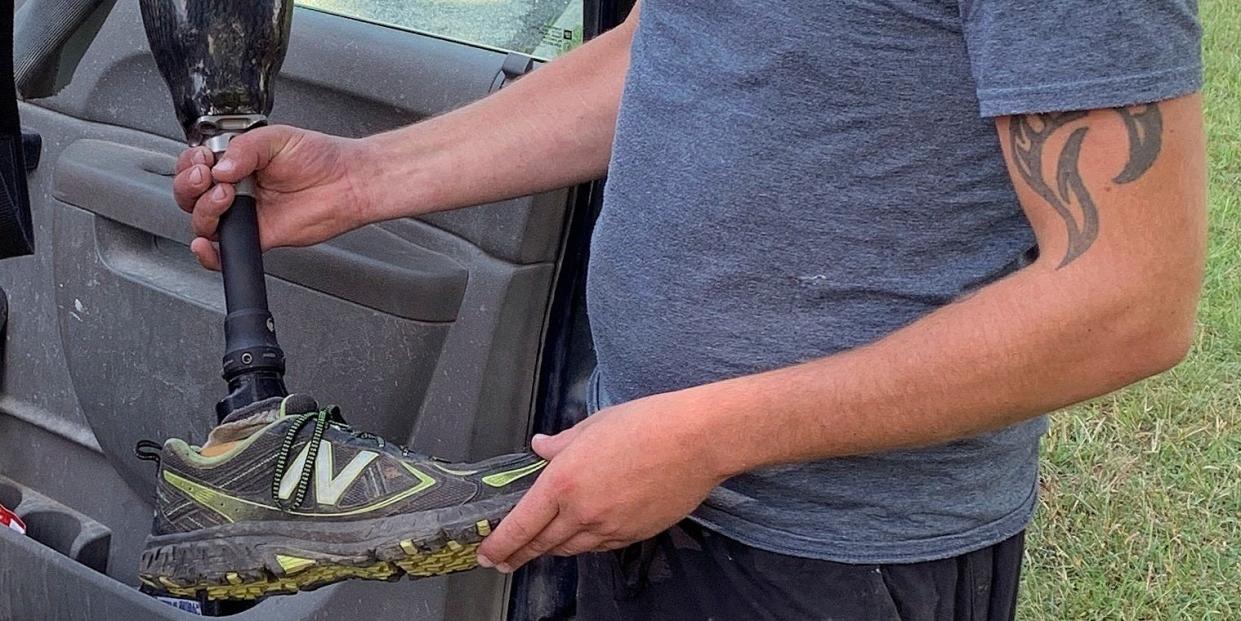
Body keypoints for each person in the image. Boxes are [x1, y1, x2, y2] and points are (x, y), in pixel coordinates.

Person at [151, 1, 1206, 618]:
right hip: (627, 484)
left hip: (836, 561)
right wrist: (366, 177)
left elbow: (1126, 298)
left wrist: (706, 435)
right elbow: (679, 43)